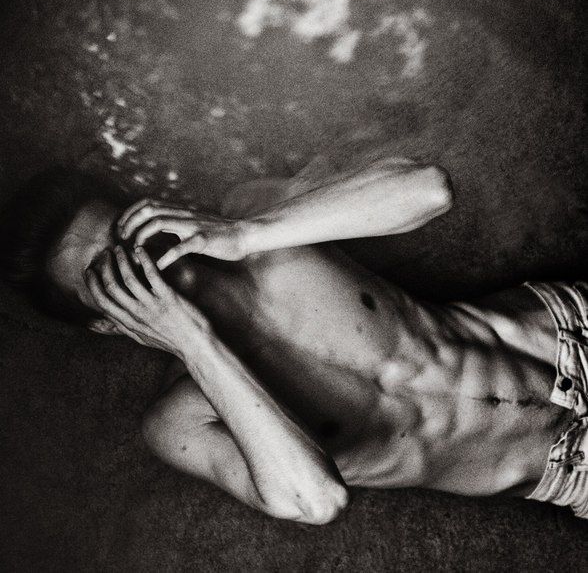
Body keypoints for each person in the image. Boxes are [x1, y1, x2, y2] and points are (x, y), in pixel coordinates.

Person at [1, 150, 586, 524]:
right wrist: (191, 339)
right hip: (565, 466)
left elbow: (427, 189)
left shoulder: (253, 218)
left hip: (562, 329)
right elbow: (316, 500)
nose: (138, 264)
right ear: (103, 321)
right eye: (108, 274)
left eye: (124, 235)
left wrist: (248, 232)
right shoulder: (178, 423)